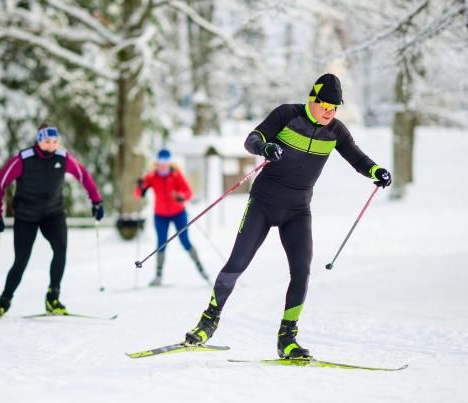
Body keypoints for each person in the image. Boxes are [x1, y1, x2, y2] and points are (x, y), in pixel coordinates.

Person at [183, 74, 392, 359]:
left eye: (335, 108)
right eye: (326, 106)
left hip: (297, 210)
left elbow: (356, 157)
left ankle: (287, 339)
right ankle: (208, 322)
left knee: (301, 272)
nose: (330, 112)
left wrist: (376, 171)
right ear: (313, 100)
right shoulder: (287, 115)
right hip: (263, 203)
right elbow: (252, 139)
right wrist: (265, 147)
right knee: (237, 263)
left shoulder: (336, 132)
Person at [0, 123, 104, 318]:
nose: (51, 145)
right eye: (46, 141)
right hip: (26, 216)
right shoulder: (24, 159)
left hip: (53, 214)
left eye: (55, 141)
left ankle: (53, 297)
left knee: (60, 250)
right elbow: (0, 183)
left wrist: (97, 202)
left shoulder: (63, 157)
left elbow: (83, 175)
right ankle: (4, 301)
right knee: (21, 261)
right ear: (38, 140)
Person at [135, 149, 209, 286]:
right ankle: (158, 276)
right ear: (157, 162)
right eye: (161, 162)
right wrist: (140, 187)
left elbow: (188, 192)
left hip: (178, 214)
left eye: (166, 162)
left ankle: (201, 269)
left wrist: (181, 196)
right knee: (161, 243)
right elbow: (139, 194)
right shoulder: (152, 176)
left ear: (169, 162)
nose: (163, 165)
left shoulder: (176, 175)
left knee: (185, 242)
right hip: (160, 215)